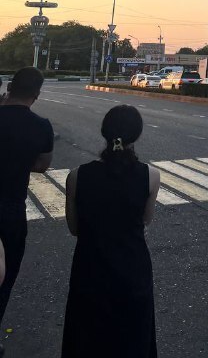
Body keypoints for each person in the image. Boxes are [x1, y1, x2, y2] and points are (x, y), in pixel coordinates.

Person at [62, 105, 160, 358]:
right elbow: (145, 220)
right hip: (133, 271)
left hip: (90, 271)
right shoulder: (151, 176)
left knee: (86, 341)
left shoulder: (77, 176)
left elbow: (74, 228)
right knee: (133, 341)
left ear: (104, 132)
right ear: (136, 135)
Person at [0, 68, 53, 356]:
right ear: (37, 94)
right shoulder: (41, 126)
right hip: (10, 211)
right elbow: (42, 165)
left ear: (9, 87)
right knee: (6, 274)